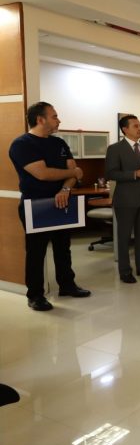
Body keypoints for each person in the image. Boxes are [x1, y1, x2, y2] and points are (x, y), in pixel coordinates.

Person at [9, 102, 90, 311]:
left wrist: (65, 189)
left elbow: (74, 171)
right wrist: (73, 173)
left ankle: (67, 285)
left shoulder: (59, 143)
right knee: (36, 252)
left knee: (63, 248)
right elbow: (42, 173)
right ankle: (35, 295)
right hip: (36, 205)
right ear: (40, 119)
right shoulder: (22, 144)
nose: (58, 120)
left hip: (62, 201)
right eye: (54, 116)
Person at [105, 114, 140, 283]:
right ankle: (125, 271)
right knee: (124, 237)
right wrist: (135, 174)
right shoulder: (115, 149)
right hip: (125, 199)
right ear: (125, 129)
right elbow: (111, 173)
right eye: (136, 126)